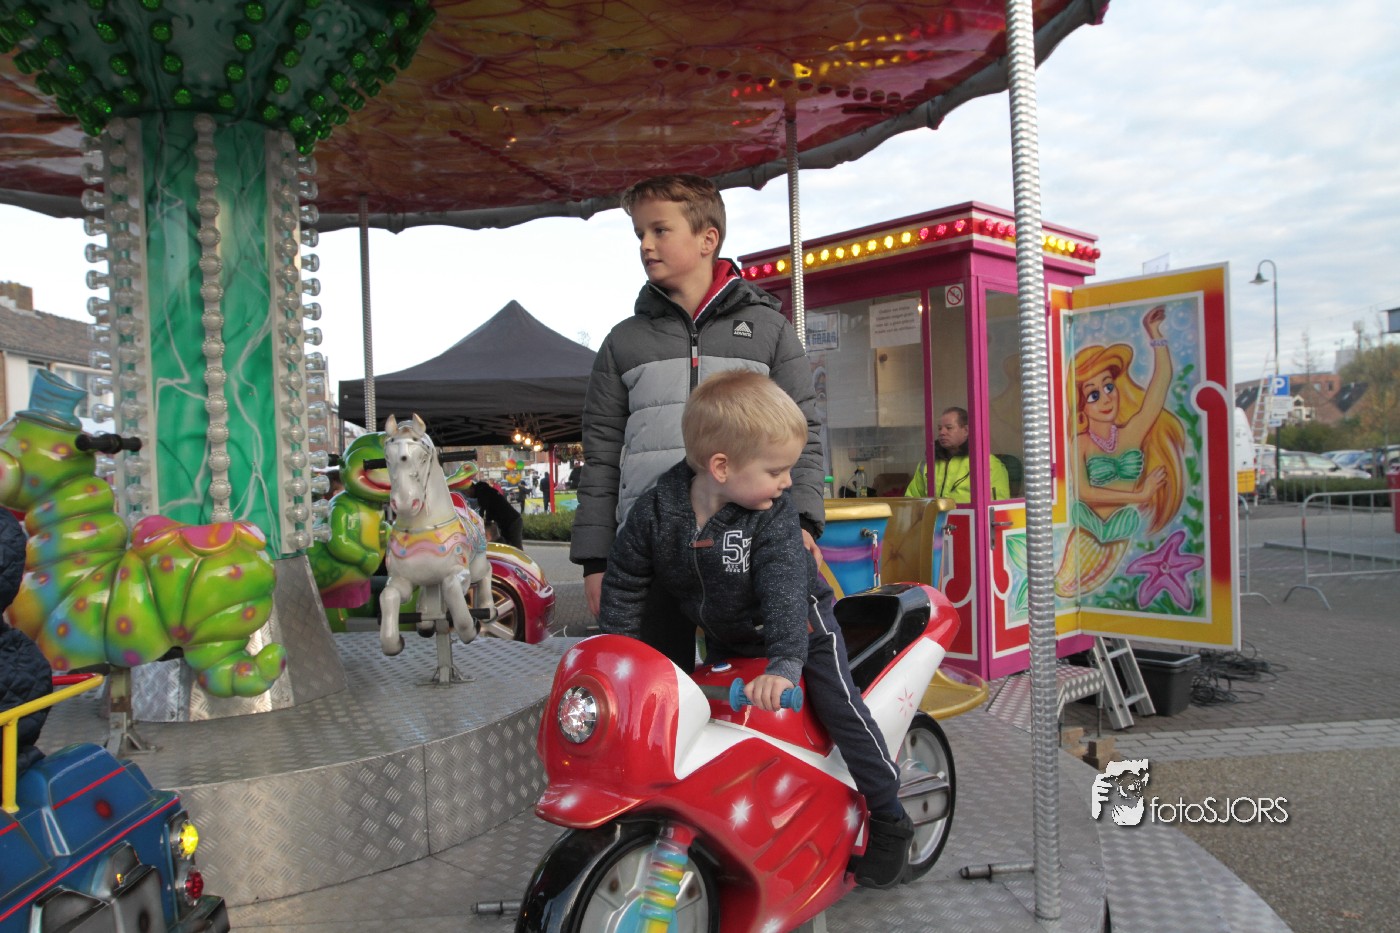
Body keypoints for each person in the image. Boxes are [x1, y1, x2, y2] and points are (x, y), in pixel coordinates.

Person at [599, 370, 912, 889]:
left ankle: (888, 814)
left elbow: (785, 592)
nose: (787, 482)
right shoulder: (657, 510)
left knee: (840, 709)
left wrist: (785, 664)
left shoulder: (772, 516)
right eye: (776, 470)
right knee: (722, 724)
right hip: (727, 634)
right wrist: (615, 655)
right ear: (721, 467)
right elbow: (627, 579)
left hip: (802, 629)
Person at [570, 173, 826, 669]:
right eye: (640, 233)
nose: (645, 245)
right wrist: (597, 560)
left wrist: (801, 522)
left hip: (746, 545)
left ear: (708, 239)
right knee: (648, 687)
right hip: (649, 546)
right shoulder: (624, 342)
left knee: (750, 686)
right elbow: (601, 454)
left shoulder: (769, 331)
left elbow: (805, 433)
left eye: (659, 230)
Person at [1054, 305, 1185, 597]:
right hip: (1086, 534)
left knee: (1113, 595)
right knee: (1063, 587)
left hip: (1120, 536)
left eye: (1108, 387)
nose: (1106, 398)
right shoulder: (1080, 442)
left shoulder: (1131, 433)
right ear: (1082, 407)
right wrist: (1140, 495)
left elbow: (1160, 385)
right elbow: (1084, 493)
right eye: (1093, 394)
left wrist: (1155, 335)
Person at [904, 407, 1010, 500]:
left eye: (949, 428)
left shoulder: (987, 463)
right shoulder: (927, 464)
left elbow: (997, 505)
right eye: (940, 428)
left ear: (966, 430)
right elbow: (912, 500)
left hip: (970, 517)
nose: (942, 432)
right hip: (934, 517)